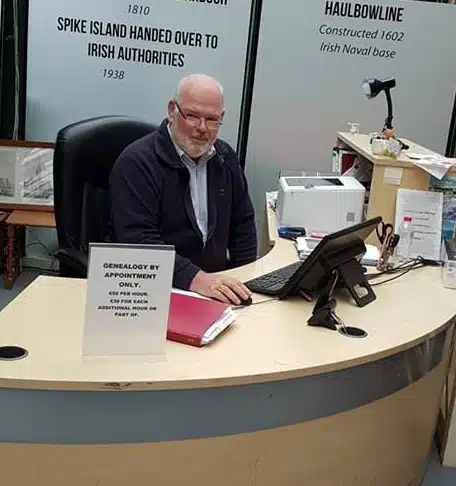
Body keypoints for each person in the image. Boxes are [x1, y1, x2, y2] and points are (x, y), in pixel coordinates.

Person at [109, 73, 258, 305]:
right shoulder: (136, 162)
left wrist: (245, 282)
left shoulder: (225, 158)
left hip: (214, 292)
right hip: (151, 293)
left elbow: (243, 226)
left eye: (212, 120)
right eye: (192, 116)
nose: (202, 128)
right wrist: (197, 279)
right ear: (172, 110)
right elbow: (138, 241)